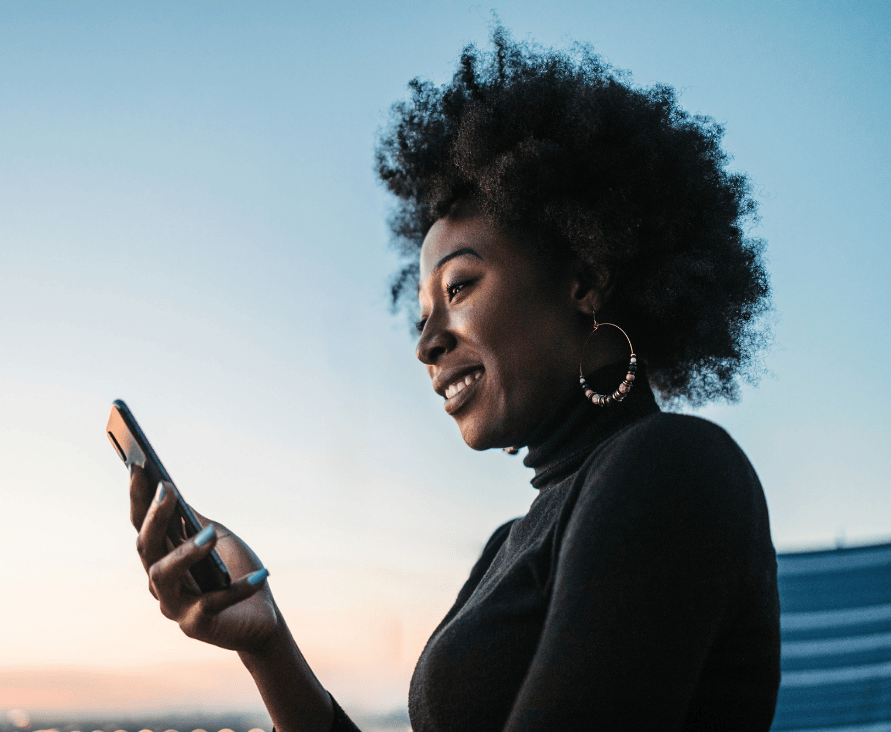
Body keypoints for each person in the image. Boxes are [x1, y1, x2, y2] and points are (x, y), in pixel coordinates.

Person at [129, 27, 780, 732]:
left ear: (584, 281)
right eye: (421, 314)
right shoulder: (510, 543)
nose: (425, 344)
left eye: (460, 287)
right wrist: (267, 640)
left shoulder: (670, 469)